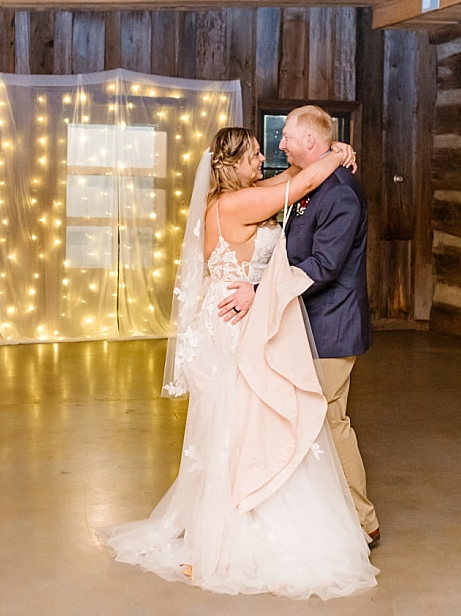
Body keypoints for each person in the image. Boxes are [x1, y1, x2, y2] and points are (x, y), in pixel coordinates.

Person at [99, 128, 378, 600]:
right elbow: (302, 185)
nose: (264, 158)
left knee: (246, 422)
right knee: (238, 423)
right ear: (233, 165)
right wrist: (331, 154)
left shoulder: (244, 195)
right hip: (231, 325)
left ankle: (243, 509)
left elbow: (292, 176)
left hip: (242, 319)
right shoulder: (231, 206)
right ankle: (231, 529)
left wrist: (338, 149)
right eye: (254, 154)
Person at [278, 105, 378, 545]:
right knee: (310, 421)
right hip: (310, 323)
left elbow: (324, 265)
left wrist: (265, 296)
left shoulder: (339, 193)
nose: (280, 144)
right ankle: (318, 512)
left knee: (330, 420)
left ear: (311, 144)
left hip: (332, 326)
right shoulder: (311, 180)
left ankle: (362, 521)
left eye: (287, 137)